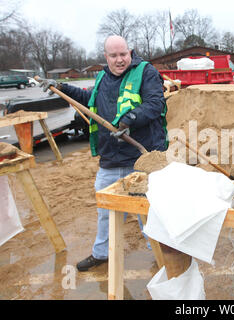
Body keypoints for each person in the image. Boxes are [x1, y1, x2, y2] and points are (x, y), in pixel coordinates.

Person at [40, 35, 168, 271]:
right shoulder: (102, 77)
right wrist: (61, 87)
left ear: (130, 52)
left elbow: (154, 103)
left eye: (123, 54)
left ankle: (162, 257)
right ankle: (102, 253)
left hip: (140, 159)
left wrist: (128, 119)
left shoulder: (145, 72)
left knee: (148, 214)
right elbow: (89, 99)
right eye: (114, 56)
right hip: (110, 159)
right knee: (106, 213)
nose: (119, 60)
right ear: (106, 57)